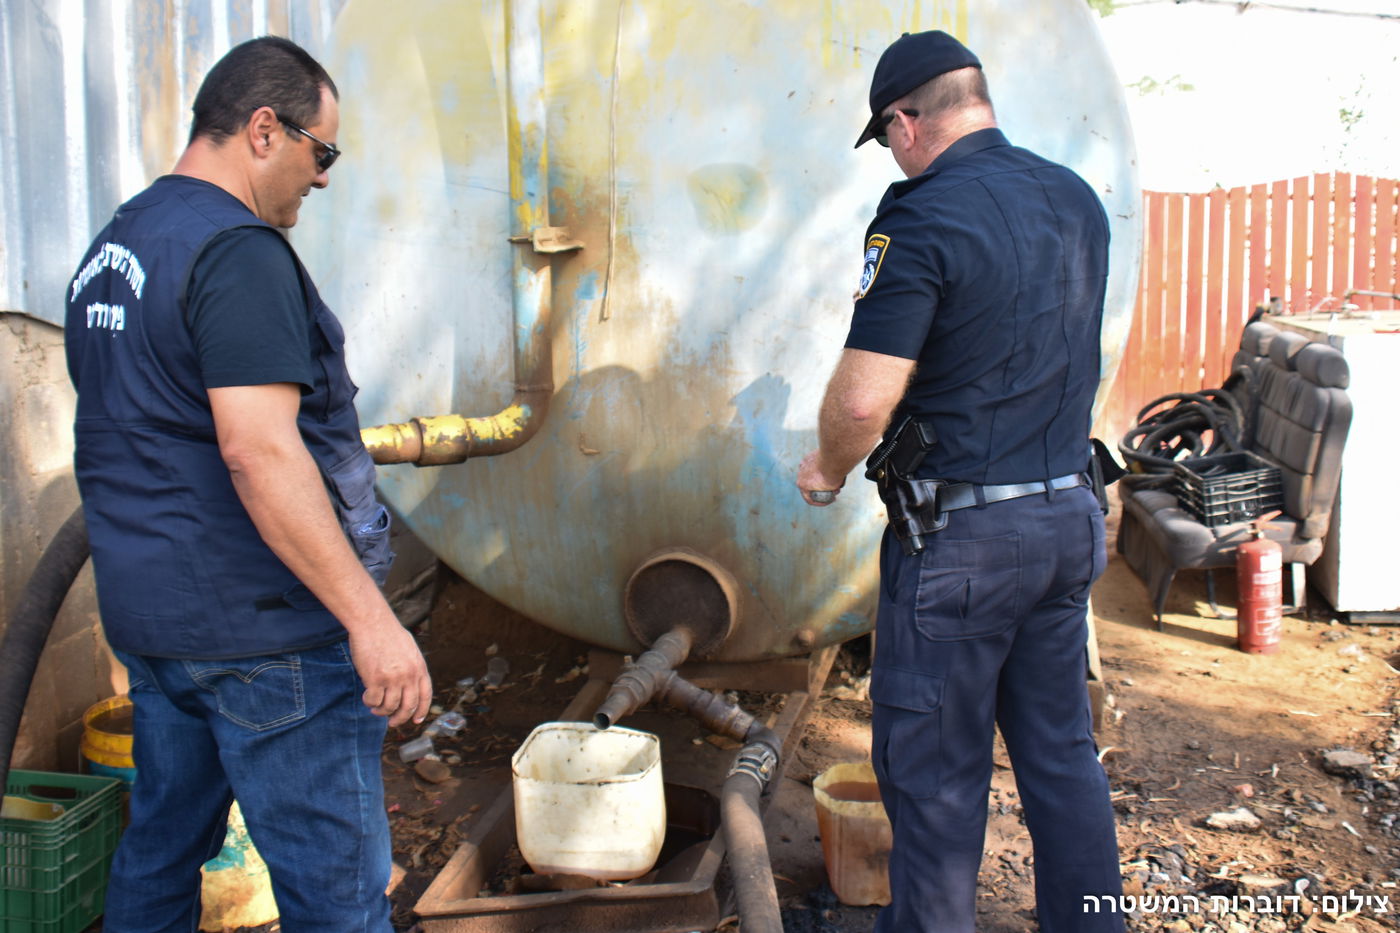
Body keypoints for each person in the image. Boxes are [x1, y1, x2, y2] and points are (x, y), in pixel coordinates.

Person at [64, 36, 431, 932]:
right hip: (264, 637)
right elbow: (259, 454)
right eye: (323, 151)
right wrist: (371, 620)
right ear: (265, 129)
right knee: (337, 892)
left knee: (159, 852)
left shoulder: (121, 240)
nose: (325, 177)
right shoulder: (237, 254)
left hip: (155, 626)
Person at [795, 30, 1125, 933]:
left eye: (887, 133)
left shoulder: (923, 218)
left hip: (963, 551)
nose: (891, 150)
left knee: (936, 784)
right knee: (1062, 756)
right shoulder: (1077, 200)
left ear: (905, 120)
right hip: (1066, 520)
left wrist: (825, 468)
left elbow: (864, 401)